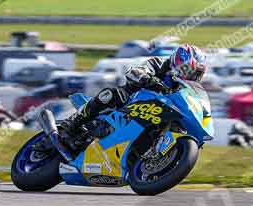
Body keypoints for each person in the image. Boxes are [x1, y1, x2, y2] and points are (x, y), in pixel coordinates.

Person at [62, 44, 207, 137]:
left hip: (158, 112)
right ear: (179, 63)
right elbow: (135, 72)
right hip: (132, 99)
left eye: (196, 74)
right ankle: (72, 122)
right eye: (191, 71)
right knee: (111, 95)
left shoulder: (185, 88)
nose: (192, 76)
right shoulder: (158, 63)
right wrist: (148, 79)